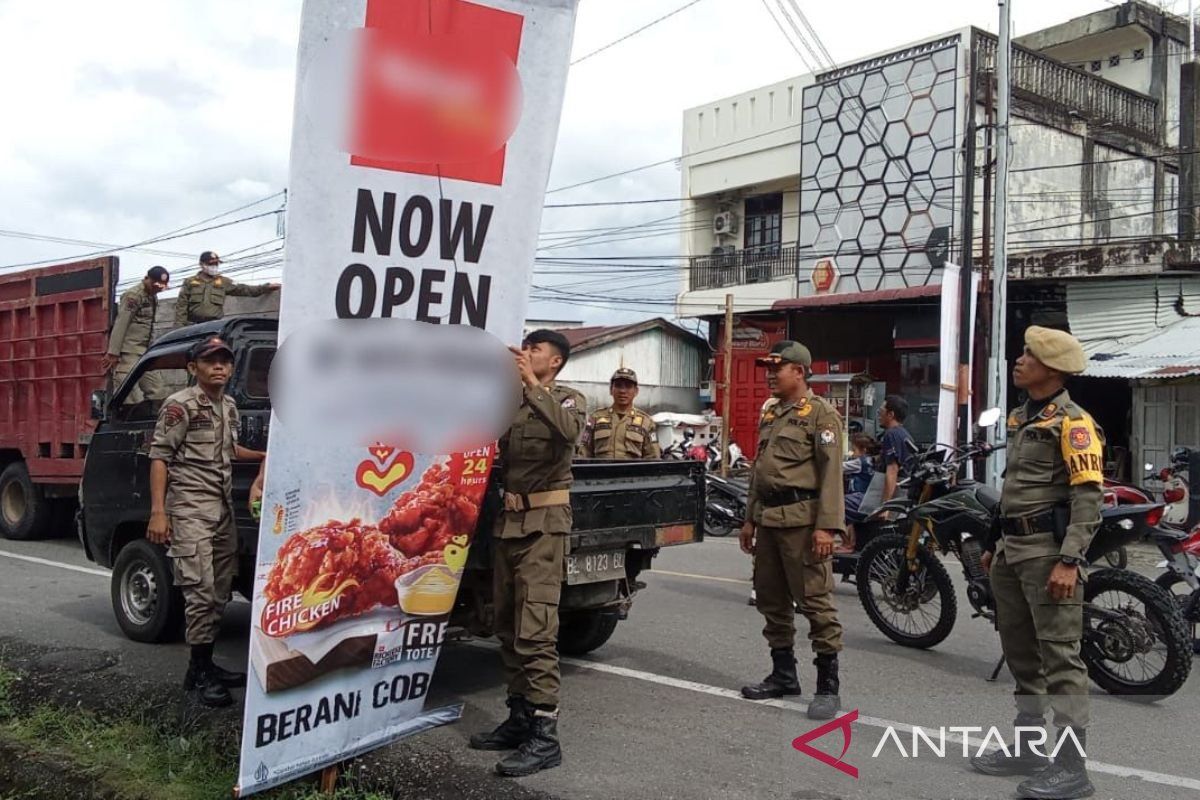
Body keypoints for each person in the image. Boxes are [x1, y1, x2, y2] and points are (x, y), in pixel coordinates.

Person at [971, 326, 1103, 800]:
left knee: (1061, 659)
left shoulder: (1073, 423)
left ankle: (1072, 768)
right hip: (1012, 551)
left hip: (1049, 553)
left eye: (1029, 355)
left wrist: (1070, 560)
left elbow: (1088, 498)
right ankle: (1029, 747)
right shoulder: (1024, 417)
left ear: (1052, 369)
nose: (1019, 360)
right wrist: (993, 540)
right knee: (1024, 656)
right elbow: (1013, 489)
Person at [469, 329, 586, 777]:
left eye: (534, 349)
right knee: (506, 624)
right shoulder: (509, 401)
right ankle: (518, 718)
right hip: (510, 524)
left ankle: (545, 734)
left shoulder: (567, 399)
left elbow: (569, 432)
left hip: (544, 528)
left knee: (535, 631)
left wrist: (533, 388)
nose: (525, 353)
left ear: (553, 362)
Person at [147, 336, 265, 707]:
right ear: (193, 367)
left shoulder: (228, 406)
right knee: (199, 589)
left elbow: (230, 451)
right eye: (211, 360)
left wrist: (266, 453)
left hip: (221, 509)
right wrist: (159, 512)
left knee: (219, 591)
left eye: (225, 361)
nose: (220, 367)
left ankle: (205, 665)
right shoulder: (179, 406)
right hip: (190, 508)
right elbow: (160, 457)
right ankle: (198, 673)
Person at [738, 340, 846, 721]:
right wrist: (750, 518)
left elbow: (832, 475)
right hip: (768, 521)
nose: (770, 374)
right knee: (772, 601)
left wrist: (827, 528)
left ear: (798, 372)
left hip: (803, 523)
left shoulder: (821, 415)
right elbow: (759, 471)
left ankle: (828, 688)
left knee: (816, 603)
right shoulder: (772, 416)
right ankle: (783, 675)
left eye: (777, 368)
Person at [103, 266, 170, 404]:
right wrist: (113, 352)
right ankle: (129, 422)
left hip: (145, 351)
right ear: (147, 279)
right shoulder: (134, 295)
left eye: (161, 287)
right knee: (129, 392)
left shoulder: (152, 297)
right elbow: (122, 323)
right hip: (129, 351)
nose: (158, 288)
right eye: (156, 285)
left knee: (158, 390)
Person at [173, 251, 279, 328]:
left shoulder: (224, 282)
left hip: (213, 326)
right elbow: (181, 306)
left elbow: (244, 289)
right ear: (202, 265)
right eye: (211, 264)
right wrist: (179, 328)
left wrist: (266, 287)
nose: (214, 266)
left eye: (216, 264)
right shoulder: (189, 282)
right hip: (192, 326)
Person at [578, 367, 661, 459]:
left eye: (628, 386)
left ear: (636, 391)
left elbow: (653, 458)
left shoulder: (646, 422)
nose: (622, 391)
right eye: (618, 386)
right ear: (611, 390)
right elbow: (584, 454)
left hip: (633, 473)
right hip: (601, 472)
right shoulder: (596, 417)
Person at [838, 433, 879, 552]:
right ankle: (852, 542)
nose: (852, 452)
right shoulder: (871, 461)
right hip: (866, 497)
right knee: (848, 516)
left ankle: (846, 543)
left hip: (860, 498)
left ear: (864, 450)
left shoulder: (861, 462)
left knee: (834, 508)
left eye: (854, 449)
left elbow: (840, 467)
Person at [878, 395, 915, 504]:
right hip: (904, 494)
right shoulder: (903, 434)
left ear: (890, 415)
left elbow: (892, 470)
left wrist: (885, 506)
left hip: (895, 495)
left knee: (843, 504)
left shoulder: (891, 434)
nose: (879, 415)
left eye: (881, 411)